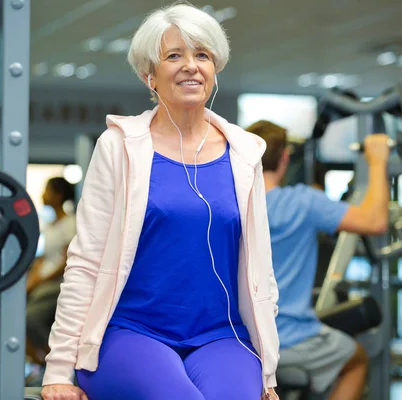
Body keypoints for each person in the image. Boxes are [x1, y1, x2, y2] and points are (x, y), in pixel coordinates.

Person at [41, 4, 280, 400]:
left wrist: (267, 375)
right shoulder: (119, 147)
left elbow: (261, 270)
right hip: (130, 332)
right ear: (148, 75)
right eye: (174, 56)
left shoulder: (244, 153)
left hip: (224, 337)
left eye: (202, 55)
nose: (191, 66)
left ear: (215, 68)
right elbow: (85, 261)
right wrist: (58, 369)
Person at [246, 120, 390, 400]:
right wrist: (377, 161)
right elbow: (375, 221)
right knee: (357, 358)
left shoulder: (234, 203)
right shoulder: (304, 202)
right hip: (290, 337)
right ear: (285, 157)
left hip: (244, 339)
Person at [26, 177, 77, 365]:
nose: (42, 195)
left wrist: (39, 281)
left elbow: (67, 260)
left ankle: (58, 363)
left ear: (58, 195)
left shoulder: (71, 223)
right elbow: (42, 259)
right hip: (43, 282)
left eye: (47, 190)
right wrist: (30, 282)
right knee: (12, 316)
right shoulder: (49, 225)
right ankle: (38, 363)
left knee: (29, 318)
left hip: (58, 283)